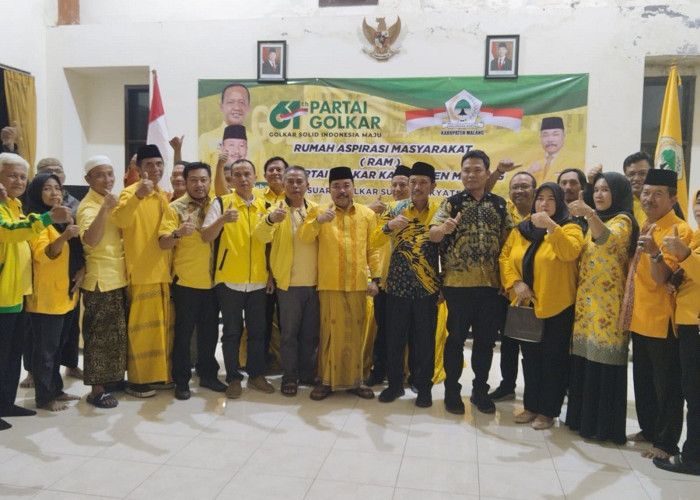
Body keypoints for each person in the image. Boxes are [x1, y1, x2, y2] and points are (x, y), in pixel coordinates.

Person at [429, 150, 513, 414]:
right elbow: (432, 236)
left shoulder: (500, 204)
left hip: (491, 286)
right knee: (455, 340)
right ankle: (452, 392)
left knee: (485, 342)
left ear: (487, 173)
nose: (471, 175)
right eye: (466, 170)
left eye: (477, 170)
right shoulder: (451, 204)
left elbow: (509, 243)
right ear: (461, 173)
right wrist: (443, 229)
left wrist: (508, 279)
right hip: (457, 285)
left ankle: (480, 391)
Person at [500, 182, 583, 429]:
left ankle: (548, 411)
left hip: (558, 305)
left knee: (553, 359)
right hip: (527, 305)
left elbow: (569, 253)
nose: (544, 204)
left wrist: (551, 226)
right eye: (540, 198)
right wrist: (515, 283)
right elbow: (505, 257)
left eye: (550, 199)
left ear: (560, 203)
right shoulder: (521, 229)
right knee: (530, 358)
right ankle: (531, 406)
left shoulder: (570, 228)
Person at [623, 169, 692, 460]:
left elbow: (664, 278)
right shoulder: (644, 224)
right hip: (639, 316)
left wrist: (654, 253)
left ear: (673, 199)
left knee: (667, 386)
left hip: (663, 319)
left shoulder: (679, 230)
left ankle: (666, 443)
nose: (649, 199)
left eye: (657, 194)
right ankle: (649, 429)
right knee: (644, 380)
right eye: (646, 193)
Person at [565, 172, 639, 443]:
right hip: (587, 306)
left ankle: (603, 427)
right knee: (585, 360)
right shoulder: (593, 220)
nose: (599, 194)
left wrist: (589, 214)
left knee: (604, 363)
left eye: (605, 190)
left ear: (617, 193)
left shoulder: (623, 220)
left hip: (609, 308)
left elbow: (606, 239)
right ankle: (582, 421)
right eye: (596, 190)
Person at [0, 153, 71, 430]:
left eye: (22, 176)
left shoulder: (14, 205)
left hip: (18, 294)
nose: (18, 181)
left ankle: (6, 404)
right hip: (3, 294)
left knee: (12, 356)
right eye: (11, 175)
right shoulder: (8, 211)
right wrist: (48, 218)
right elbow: (10, 231)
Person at [299, 166, 380, 401]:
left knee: (354, 333)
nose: (342, 191)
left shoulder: (367, 214)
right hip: (329, 283)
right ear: (329, 189)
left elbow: (373, 249)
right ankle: (326, 381)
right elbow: (305, 237)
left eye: (346, 185)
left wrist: (375, 279)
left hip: (358, 284)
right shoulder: (318, 211)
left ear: (353, 188)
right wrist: (318, 222)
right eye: (336, 186)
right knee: (329, 333)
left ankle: (356, 380)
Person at [201, 159, 274, 398]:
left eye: (247, 174)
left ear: (255, 177)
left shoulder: (266, 205)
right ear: (230, 179)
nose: (243, 179)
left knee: (258, 332)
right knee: (231, 332)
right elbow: (205, 236)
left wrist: (271, 275)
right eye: (238, 175)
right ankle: (233, 378)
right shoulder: (221, 203)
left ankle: (256, 375)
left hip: (259, 281)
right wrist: (222, 220)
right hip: (228, 280)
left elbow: (271, 245)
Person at [372, 162, 440, 407]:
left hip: (427, 288)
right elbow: (374, 240)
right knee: (394, 339)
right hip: (396, 287)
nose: (417, 187)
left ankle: (423, 387)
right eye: (413, 182)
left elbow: (446, 249)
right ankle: (395, 385)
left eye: (423, 182)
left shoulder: (440, 212)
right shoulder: (395, 208)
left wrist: (443, 285)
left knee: (424, 341)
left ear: (433, 186)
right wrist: (388, 226)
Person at [159, 162, 226, 400]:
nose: (199, 185)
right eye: (194, 180)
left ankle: (208, 375)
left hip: (214, 282)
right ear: (185, 182)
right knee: (183, 334)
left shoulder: (218, 204)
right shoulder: (175, 208)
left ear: (210, 181)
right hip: (186, 282)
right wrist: (177, 233)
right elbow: (163, 242)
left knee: (210, 332)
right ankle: (181, 381)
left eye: (203, 180)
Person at [111, 144, 173, 398]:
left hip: (162, 271)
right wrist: (138, 196)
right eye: (149, 165)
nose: (155, 169)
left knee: (160, 330)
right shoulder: (130, 192)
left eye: (159, 164)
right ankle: (137, 380)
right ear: (138, 168)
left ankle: (158, 376)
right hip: (141, 271)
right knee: (141, 331)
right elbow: (119, 220)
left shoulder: (161, 195)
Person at [254, 166, 319, 396]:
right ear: (283, 185)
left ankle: (307, 373)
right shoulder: (275, 210)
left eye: (299, 181)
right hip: (288, 284)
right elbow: (260, 236)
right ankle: (290, 376)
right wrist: (271, 220)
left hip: (316, 283)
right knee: (289, 334)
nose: (295, 186)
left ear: (307, 185)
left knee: (311, 334)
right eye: (290, 181)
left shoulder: (316, 211)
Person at [19, 157, 83, 390]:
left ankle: (56, 390)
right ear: (37, 191)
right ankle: (45, 395)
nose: (54, 192)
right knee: (45, 348)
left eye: (57, 187)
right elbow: (47, 253)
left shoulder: (67, 215)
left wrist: (83, 270)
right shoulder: (36, 219)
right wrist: (65, 235)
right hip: (45, 294)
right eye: (47, 188)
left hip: (66, 291)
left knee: (58, 345)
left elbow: (78, 250)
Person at [654, 189, 700, 475]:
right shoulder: (697, 237)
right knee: (692, 392)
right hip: (688, 322)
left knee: (695, 394)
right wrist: (677, 282)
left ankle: (693, 458)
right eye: (699, 202)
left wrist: (684, 255)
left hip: (696, 324)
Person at [77, 156, 128, 409]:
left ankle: (113, 380)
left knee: (116, 336)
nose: (107, 179)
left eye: (110, 174)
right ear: (88, 179)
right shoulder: (88, 206)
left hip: (119, 277)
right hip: (100, 280)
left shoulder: (110, 199)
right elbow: (91, 239)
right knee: (98, 337)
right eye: (100, 175)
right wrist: (106, 209)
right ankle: (97, 389)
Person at [489, 171, 536, 402]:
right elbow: (504, 255)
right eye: (515, 187)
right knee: (508, 342)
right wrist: (508, 282)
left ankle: (534, 393)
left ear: (534, 191)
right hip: (506, 290)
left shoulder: (543, 217)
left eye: (524, 186)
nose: (519, 191)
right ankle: (507, 385)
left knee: (532, 345)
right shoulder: (504, 211)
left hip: (534, 292)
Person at [365, 164, 411, 387]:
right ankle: (379, 370)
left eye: (403, 184)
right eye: (394, 185)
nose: (398, 189)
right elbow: (373, 247)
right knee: (382, 330)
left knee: (408, 332)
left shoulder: (419, 212)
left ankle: (405, 375)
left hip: (410, 283)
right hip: (384, 281)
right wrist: (374, 278)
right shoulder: (382, 213)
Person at [199, 83, 250, 184]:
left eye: (241, 102)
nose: (236, 107)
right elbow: (201, 174)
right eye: (230, 102)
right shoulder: (206, 139)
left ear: (248, 108)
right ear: (221, 107)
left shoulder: (256, 141)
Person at [527, 117, 577, 186]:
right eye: (545, 135)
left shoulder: (577, 159)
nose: (550, 140)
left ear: (564, 136)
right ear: (540, 138)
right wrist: (527, 173)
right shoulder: (532, 158)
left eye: (555, 135)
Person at [622, 151, 653, 227]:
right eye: (631, 174)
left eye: (642, 173)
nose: (636, 178)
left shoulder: (664, 201)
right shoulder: (619, 202)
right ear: (625, 177)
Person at [557, 168, 589, 233]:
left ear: (582, 187)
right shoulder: (552, 213)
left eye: (573, 183)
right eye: (564, 183)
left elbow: (602, 239)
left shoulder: (590, 215)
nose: (568, 187)